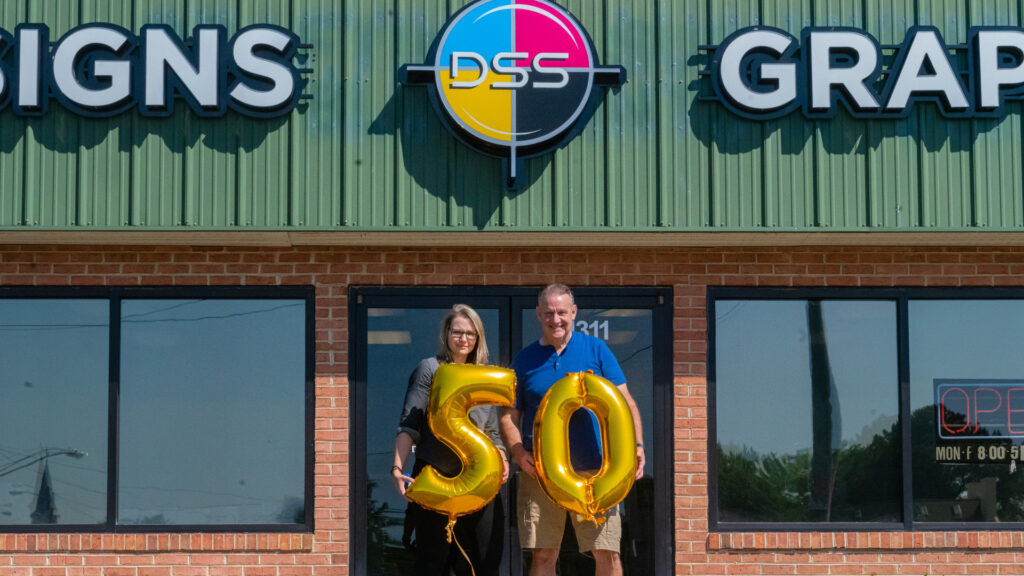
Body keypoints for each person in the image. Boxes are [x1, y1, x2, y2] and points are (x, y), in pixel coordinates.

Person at [500, 284, 645, 576]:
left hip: (599, 472)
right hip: (539, 473)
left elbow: (625, 401)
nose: (556, 319)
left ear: (574, 312)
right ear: (538, 314)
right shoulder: (524, 360)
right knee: (543, 555)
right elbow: (508, 416)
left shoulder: (596, 349)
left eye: (562, 312)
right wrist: (517, 452)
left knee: (607, 552)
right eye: (549, 313)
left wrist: (638, 446)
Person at [391, 304, 508, 576]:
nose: (464, 338)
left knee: (483, 563)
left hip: (480, 481)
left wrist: (501, 456)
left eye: (470, 333)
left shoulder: (483, 376)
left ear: (478, 338)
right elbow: (409, 425)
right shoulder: (430, 369)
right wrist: (397, 468)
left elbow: (491, 432)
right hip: (437, 477)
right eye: (457, 332)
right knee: (433, 563)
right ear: (447, 334)